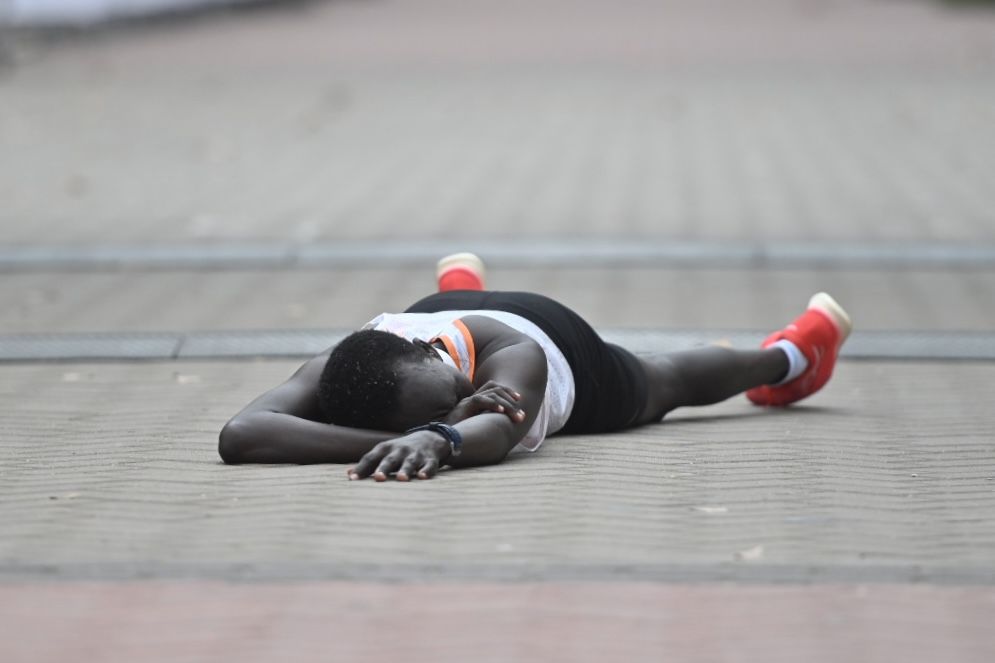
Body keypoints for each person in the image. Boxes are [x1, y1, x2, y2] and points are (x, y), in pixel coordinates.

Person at [219, 253, 852, 482]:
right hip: (436, 313)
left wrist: (437, 438)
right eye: (437, 416)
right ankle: (462, 283)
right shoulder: (343, 365)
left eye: (455, 395)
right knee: (447, 349)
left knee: (662, 382)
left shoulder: (514, 359)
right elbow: (239, 435)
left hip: (550, 334)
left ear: (442, 355)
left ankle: (795, 354)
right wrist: (402, 439)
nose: (459, 409)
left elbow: (493, 436)